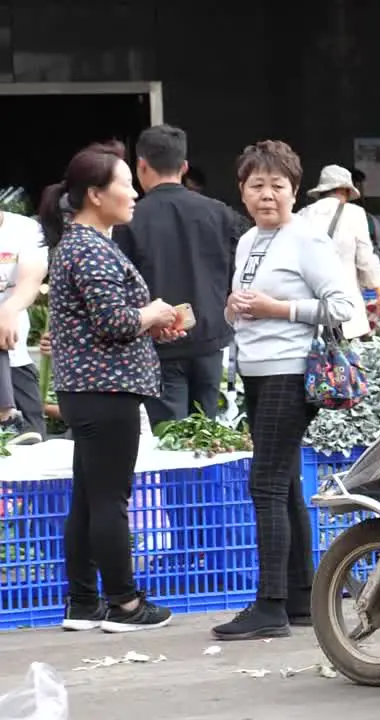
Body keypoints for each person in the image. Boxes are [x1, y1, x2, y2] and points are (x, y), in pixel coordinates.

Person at [214, 141, 355, 641]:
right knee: (286, 481)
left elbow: (344, 306)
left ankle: (269, 605)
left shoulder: (307, 239)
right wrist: (235, 307)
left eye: (277, 186)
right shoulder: (249, 239)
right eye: (256, 185)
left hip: (290, 371)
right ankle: (299, 598)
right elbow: (243, 305)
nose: (267, 195)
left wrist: (280, 310)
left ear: (295, 191)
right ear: (242, 191)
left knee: (265, 484)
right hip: (254, 371)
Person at [41, 141, 183, 633]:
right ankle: (124, 604)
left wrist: (151, 322)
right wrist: (154, 314)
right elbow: (114, 322)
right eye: (125, 184)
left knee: (89, 496)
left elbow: (111, 321)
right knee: (109, 500)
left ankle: (83, 603)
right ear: (96, 194)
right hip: (106, 391)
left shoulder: (81, 244)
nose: (134, 194)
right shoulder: (90, 248)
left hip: (92, 390)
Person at [114, 124, 245, 426]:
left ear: (141, 166)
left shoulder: (129, 221)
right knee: (207, 433)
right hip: (210, 340)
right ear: (184, 167)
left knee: (169, 439)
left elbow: (122, 289)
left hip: (158, 343)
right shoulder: (222, 214)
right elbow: (237, 276)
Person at [297, 164, 380, 337]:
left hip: (312, 309)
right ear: (344, 190)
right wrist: (379, 293)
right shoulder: (355, 214)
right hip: (345, 307)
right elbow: (365, 259)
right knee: (345, 358)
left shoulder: (303, 215)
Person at [0, 208, 48, 443]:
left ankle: (7, 418)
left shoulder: (25, 229)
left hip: (15, 352)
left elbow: (31, 279)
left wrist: (9, 309)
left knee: (34, 435)